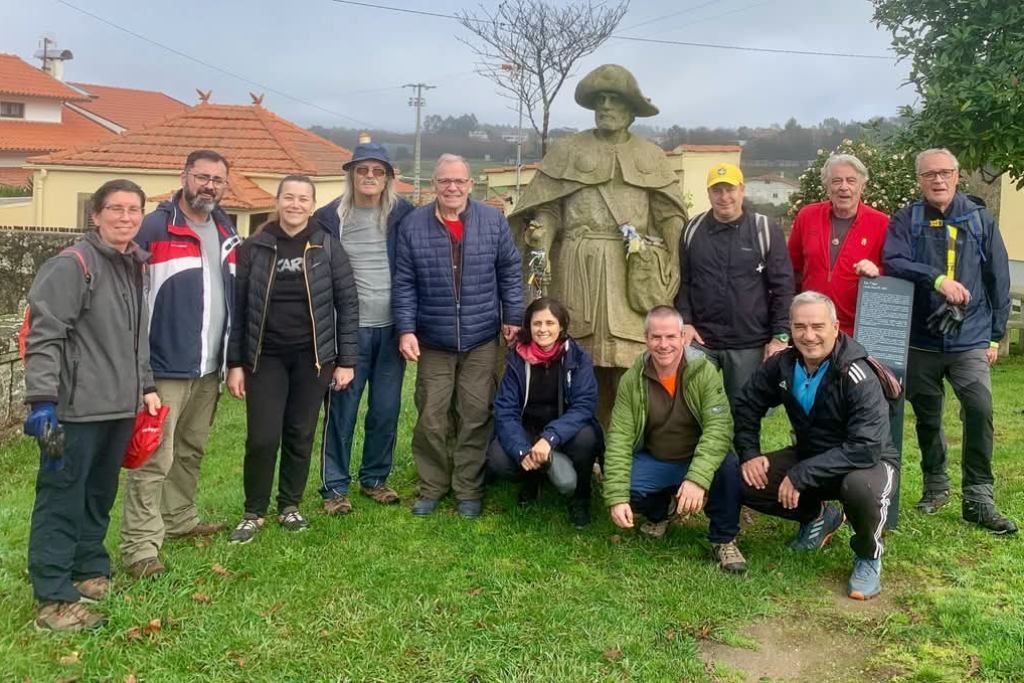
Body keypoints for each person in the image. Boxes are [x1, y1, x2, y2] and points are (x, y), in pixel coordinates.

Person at [508, 64, 688, 422]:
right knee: (576, 359)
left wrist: (672, 260)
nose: (605, 106)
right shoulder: (568, 150)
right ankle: (577, 446)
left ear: (631, 110)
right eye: (600, 100)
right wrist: (541, 231)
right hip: (575, 266)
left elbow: (670, 214)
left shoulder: (651, 156)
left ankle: (630, 447)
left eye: (615, 100)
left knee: (632, 361)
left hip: (632, 272)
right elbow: (548, 208)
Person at [22, 179, 161, 630]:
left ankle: (87, 570)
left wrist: (145, 387)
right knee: (61, 497)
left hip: (117, 408)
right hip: (73, 410)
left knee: (99, 495)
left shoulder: (133, 264)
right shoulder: (73, 265)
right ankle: (53, 598)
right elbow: (45, 336)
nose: (125, 217)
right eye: (116, 209)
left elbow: (135, 337)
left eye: (134, 209)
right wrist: (42, 402)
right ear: (95, 215)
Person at [119, 149, 240, 579]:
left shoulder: (227, 227)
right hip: (165, 364)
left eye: (217, 179)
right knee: (154, 456)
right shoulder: (155, 227)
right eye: (202, 176)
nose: (209, 185)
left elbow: (229, 298)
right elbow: (130, 300)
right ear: (184, 176)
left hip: (208, 365)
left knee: (191, 448)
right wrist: (142, 371)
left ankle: (180, 518)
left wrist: (232, 360)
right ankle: (140, 546)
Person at [882, 148, 1016, 534]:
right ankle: (935, 486)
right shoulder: (907, 219)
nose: (938, 180)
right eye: (929, 174)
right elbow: (894, 260)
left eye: (945, 173)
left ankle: (978, 497)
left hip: (970, 339)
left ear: (958, 176)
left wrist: (995, 336)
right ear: (919, 179)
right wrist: (937, 279)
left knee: (979, 410)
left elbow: (999, 279)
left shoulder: (979, 218)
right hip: (922, 339)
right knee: (927, 417)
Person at [733, 292, 900, 600]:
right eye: (800, 327)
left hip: (867, 464)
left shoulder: (857, 374)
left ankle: (868, 556)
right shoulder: (782, 364)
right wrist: (750, 453)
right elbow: (746, 404)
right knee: (739, 479)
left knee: (861, 488)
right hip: (812, 457)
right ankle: (818, 517)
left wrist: (801, 474)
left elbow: (866, 446)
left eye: (817, 326)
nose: (808, 336)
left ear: (835, 328)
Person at [226, 176, 359, 543]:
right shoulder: (254, 247)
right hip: (264, 357)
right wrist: (235, 363)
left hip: (313, 358)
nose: (295, 205)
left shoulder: (327, 247)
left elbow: (347, 304)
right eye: (289, 197)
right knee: (263, 437)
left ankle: (289, 506)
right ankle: (253, 511)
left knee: (300, 433)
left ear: (312, 205)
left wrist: (346, 360)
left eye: (303, 199)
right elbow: (238, 309)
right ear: (278, 200)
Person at [393, 153, 524, 518]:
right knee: (431, 416)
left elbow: (510, 270)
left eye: (459, 181)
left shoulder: (492, 220)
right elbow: (404, 283)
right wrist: (406, 329)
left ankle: (468, 488)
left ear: (471, 184)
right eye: (444, 181)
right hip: (433, 339)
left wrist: (512, 315)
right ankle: (433, 485)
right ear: (434, 184)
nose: (452, 187)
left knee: (475, 413)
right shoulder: (414, 225)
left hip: (481, 337)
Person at [603, 306, 746, 574]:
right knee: (627, 486)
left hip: (697, 457)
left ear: (683, 337)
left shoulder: (703, 372)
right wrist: (616, 498)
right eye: (656, 337)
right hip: (658, 459)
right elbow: (620, 439)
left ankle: (723, 539)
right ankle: (661, 512)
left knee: (727, 465)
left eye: (670, 337)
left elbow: (719, 428)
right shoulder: (632, 380)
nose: (663, 344)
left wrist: (697, 479)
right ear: (646, 339)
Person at [314, 140, 414, 514]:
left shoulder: (403, 215)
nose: (370, 177)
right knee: (343, 410)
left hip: (392, 329)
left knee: (385, 409)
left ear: (388, 178)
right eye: (362, 170)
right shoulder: (329, 218)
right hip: (348, 330)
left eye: (378, 171)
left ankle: (374, 478)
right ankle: (334, 487)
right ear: (351, 175)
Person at [674, 163, 795, 404]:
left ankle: (740, 445)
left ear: (742, 190)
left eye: (729, 189)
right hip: (700, 340)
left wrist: (780, 336)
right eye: (716, 190)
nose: (724, 197)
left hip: (748, 341)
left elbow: (783, 286)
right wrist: (684, 321)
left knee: (744, 412)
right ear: (708, 193)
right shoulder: (691, 230)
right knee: (688, 406)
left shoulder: (764, 229)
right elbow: (683, 281)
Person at [487, 297, 603, 528]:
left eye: (550, 323)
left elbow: (584, 405)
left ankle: (581, 497)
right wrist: (521, 450)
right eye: (537, 323)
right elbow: (505, 410)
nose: (543, 329)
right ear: (529, 327)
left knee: (587, 439)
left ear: (561, 326)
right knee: (498, 459)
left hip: (566, 431)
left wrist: (550, 438)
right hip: (527, 430)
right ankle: (533, 479)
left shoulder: (578, 357)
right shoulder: (516, 360)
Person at [788, 153, 889, 335]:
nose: (844, 187)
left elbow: (893, 274)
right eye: (836, 181)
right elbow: (791, 269)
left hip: (857, 329)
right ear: (827, 186)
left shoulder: (881, 223)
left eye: (851, 181)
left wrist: (877, 272)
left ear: (862, 186)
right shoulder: (807, 216)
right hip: (812, 328)